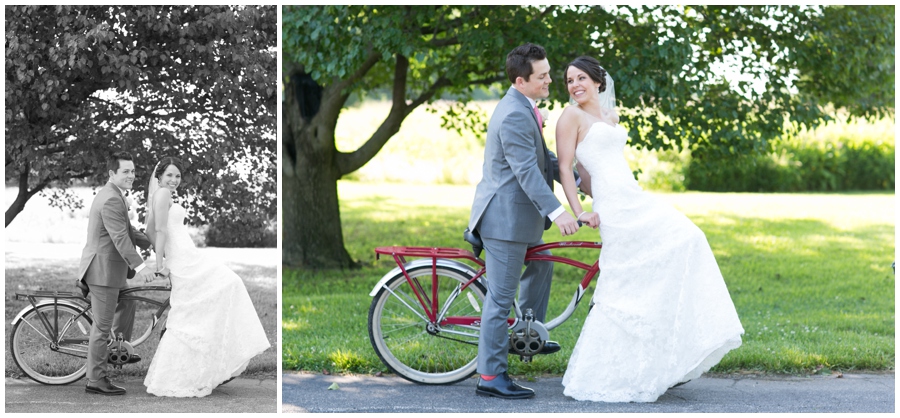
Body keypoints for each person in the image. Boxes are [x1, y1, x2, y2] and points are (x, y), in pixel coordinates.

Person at [555, 56, 745, 402]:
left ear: (599, 81)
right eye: (569, 81)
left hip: (632, 197)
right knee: (624, 283)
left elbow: (611, 166)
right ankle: (606, 373)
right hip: (614, 208)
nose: (575, 85)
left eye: (581, 77)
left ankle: (662, 357)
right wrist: (580, 211)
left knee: (689, 238)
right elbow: (568, 169)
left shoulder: (611, 116)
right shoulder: (571, 116)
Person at [467, 43, 580, 400]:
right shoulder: (514, 113)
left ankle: (528, 335)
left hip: (520, 217)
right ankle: (490, 377)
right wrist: (559, 211)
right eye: (543, 76)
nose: (550, 79)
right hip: (505, 219)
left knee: (541, 268)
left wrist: (573, 179)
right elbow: (527, 172)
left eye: (548, 72)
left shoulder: (522, 105)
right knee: (500, 300)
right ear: (521, 80)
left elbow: (539, 156)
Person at [142, 156, 271, 397]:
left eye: (178, 176)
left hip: (187, 255)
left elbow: (150, 229)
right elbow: (157, 230)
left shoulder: (158, 196)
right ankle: (195, 370)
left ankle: (202, 369)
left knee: (199, 308)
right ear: (159, 176)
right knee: (228, 286)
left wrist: (167, 256)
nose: (174, 180)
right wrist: (162, 263)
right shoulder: (162, 195)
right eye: (169, 175)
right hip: (184, 260)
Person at [77, 151, 155, 396]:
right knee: (101, 328)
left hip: (111, 269)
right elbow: (119, 238)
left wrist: (151, 242)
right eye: (126, 171)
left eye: (133, 171)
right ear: (112, 173)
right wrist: (142, 267)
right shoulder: (111, 198)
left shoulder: (114, 195)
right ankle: (96, 380)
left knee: (129, 299)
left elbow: (127, 229)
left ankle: (120, 350)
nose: (131, 175)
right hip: (103, 271)